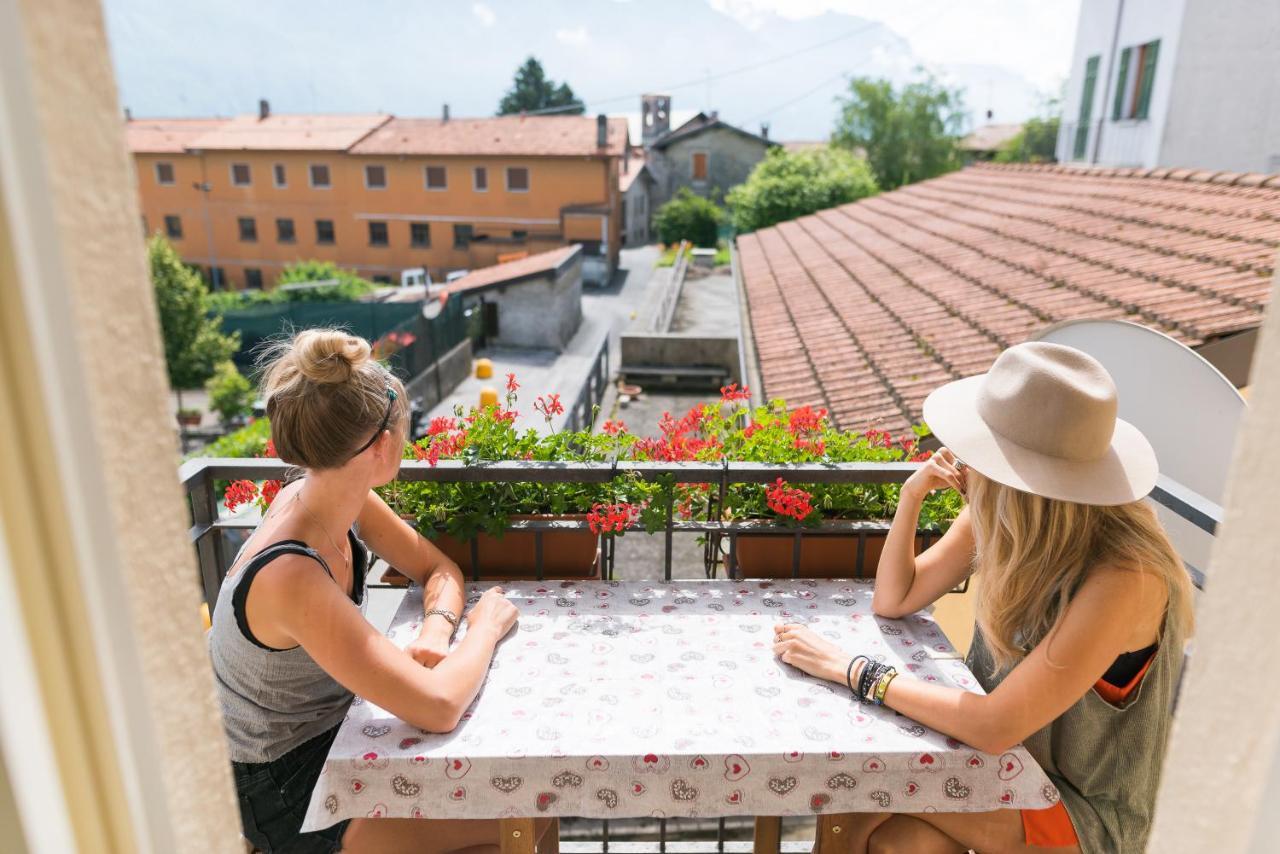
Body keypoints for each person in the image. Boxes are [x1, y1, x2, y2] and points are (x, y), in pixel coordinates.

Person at [772, 342, 1194, 853]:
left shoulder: (1127, 577)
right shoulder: (1012, 516)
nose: (969, 462)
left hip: (1079, 817)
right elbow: (896, 598)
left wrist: (853, 670)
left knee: (863, 789)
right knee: (900, 842)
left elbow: (994, 726)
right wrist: (912, 496)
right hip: (1001, 771)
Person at [208, 329, 540, 854]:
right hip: (284, 784)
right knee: (514, 823)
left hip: (337, 737)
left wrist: (438, 628)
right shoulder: (291, 574)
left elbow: (437, 567)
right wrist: (487, 627)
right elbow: (438, 705)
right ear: (382, 444)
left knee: (511, 818)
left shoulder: (332, 493)